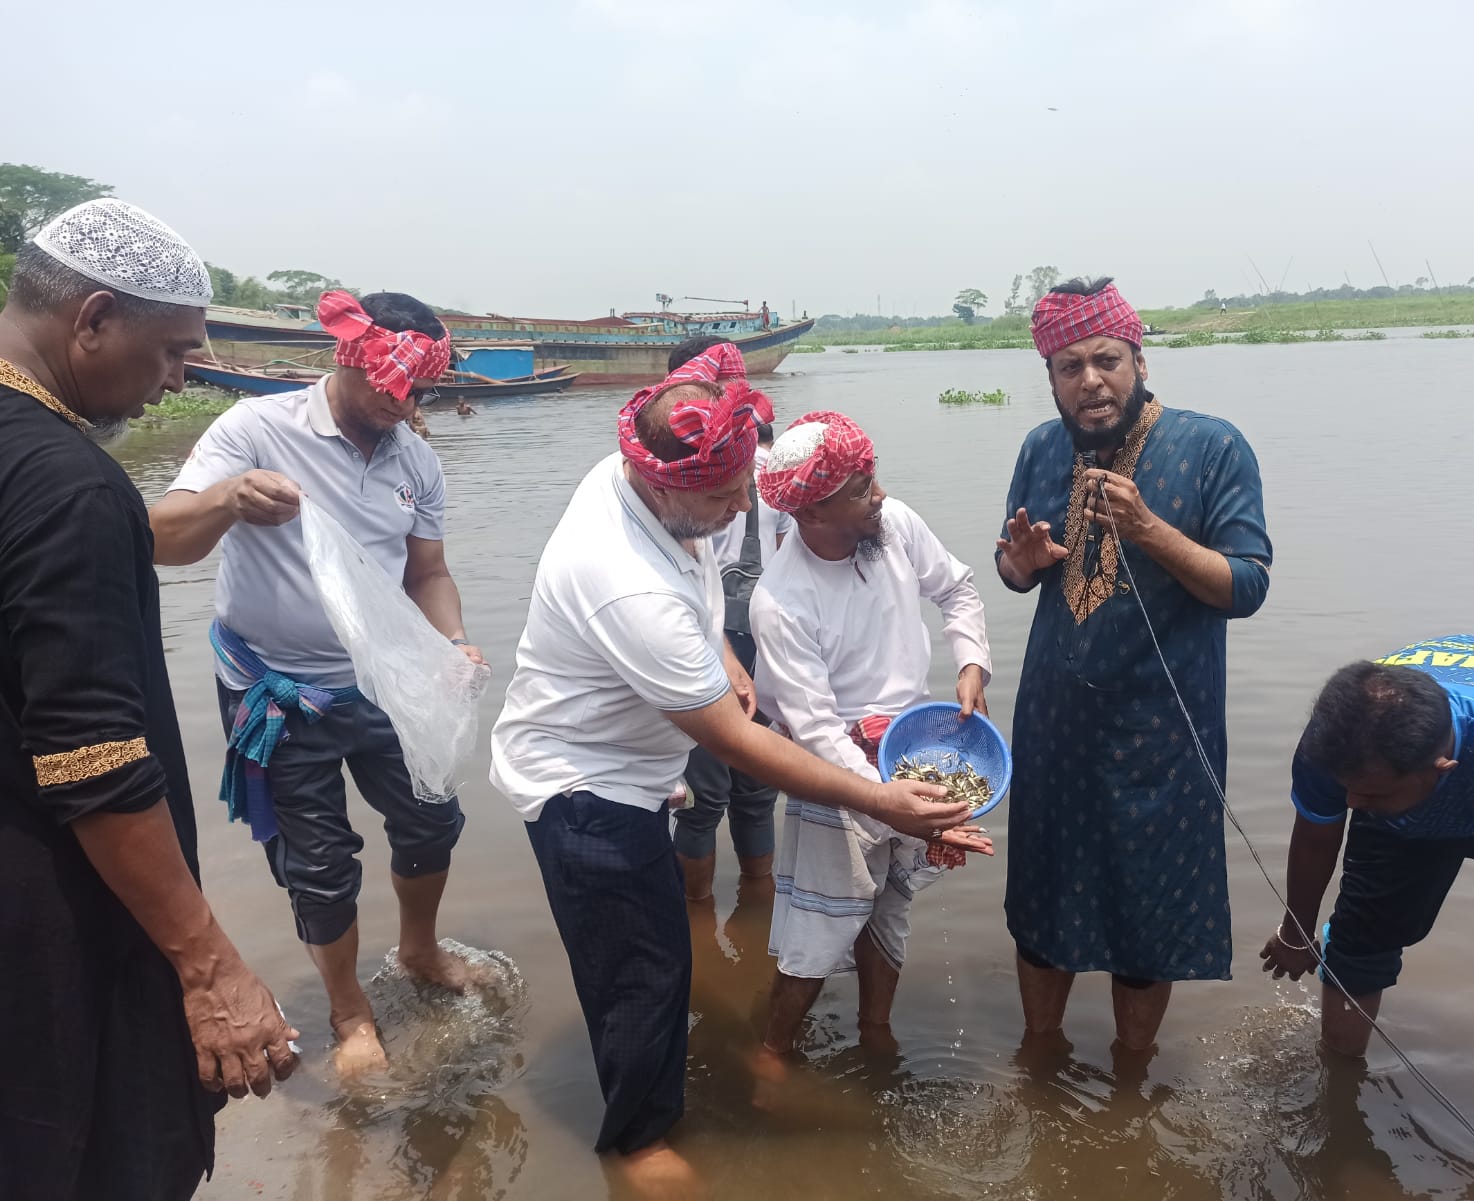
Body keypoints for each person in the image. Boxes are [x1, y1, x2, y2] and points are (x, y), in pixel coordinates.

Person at [490, 342, 975, 1197]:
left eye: (747, 483)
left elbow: (699, 576)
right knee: (643, 971)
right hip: (584, 785)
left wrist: (717, 648)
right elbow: (739, 743)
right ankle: (638, 1145)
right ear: (664, 484)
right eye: (724, 496)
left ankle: (664, 1100)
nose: (744, 508)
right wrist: (880, 802)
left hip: (640, 761)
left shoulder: (640, 474)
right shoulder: (624, 583)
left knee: (670, 956)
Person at [0, 199, 297, 1200]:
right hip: (54, 906)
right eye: (172, 351)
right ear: (91, 321)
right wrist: (209, 966)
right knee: (96, 1144)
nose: (180, 378)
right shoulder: (69, 484)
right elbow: (92, 759)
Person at [149, 289, 486, 1081]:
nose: (400, 406)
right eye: (388, 387)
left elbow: (428, 572)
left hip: (384, 682)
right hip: (277, 691)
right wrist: (229, 500)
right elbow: (162, 537)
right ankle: (348, 1010)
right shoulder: (256, 429)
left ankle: (419, 947)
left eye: (417, 393)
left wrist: (456, 644)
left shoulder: (416, 459)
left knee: (433, 819)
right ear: (348, 355)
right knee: (321, 863)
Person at [996, 276, 1271, 1054]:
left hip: (1163, 732)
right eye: (1069, 366)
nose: (1091, 382)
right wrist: (1018, 565)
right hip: (1055, 722)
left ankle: (1131, 1075)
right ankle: (1041, 1053)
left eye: (1107, 360)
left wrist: (1151, 529)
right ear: (1050, 378)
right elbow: (1017, 567)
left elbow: (1247, 585)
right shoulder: (1042, 447)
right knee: (1044, 905)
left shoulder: (1214, 446)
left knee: (1148, 917)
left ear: (1139, 359)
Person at [1260, 636, 1474, 1146]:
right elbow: (1315, 837)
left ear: (1441, 770)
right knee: (1358, 942)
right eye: (1347, 787)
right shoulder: (1336, 749)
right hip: (1408, 795)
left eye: (1367, 794)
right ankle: (1338, 1107)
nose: (1352, 802)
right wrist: (1296, 931)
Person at [750, 410, 993, 1073]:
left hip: (913, 748)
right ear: (813, 514)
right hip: (837, 772)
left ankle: (876, 1029)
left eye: (873, 478)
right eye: (860, 489)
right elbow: (816, 729)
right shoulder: (781, 600)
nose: (878, 494)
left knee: (892, 908)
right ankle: (771, 1055)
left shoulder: (894, 528)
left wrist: (971, 663)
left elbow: (958, 588)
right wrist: (888, 802)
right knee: (821, 925)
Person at [665, 336, 794, 901]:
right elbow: (799, 563)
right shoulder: (780, 468)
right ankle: (758, 903)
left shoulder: (661, 476)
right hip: (758, 640)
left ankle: (697, 919)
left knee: (701, 800)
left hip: (698, 645)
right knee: (757, 788)